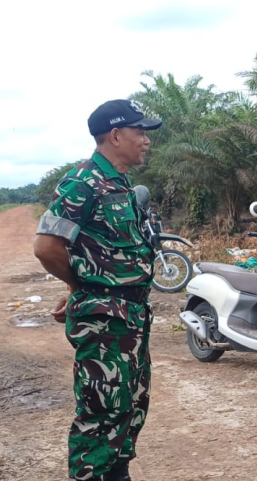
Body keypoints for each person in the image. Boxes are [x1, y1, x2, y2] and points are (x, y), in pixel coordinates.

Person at [33, 100, 163, 481]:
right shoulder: (83, 181)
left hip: (132, 317)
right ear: (116, 135)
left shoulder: (120, 184)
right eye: (140, 133)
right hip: (105, 321)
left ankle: (117, 474)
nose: (146, 141)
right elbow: (46, 246)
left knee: (129, 409)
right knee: (100, 414)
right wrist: (79, 286)